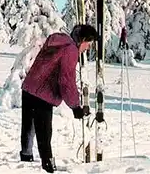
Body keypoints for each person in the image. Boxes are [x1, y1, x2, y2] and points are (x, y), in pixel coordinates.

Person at [20, 24, 98, 173]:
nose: (88, 48)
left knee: (28, 127)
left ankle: (26, 159)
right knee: (44, 132)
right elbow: (66, 81)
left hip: (29, 87)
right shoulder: (70, 50)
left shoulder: (59, 42)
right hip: (43, 93)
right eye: (88, 43)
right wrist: (75, 107)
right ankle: (48, 166)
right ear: (82, 40)